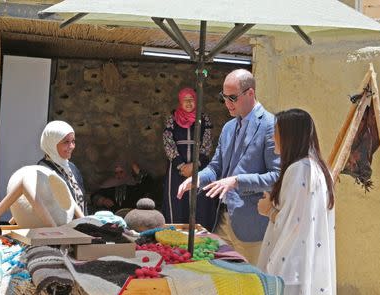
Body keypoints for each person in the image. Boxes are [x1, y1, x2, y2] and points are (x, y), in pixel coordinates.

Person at [178, 69, 280, 264]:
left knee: (252, 285)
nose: (227, 103)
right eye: (223, 97)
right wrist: (197, 178)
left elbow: (276, 177)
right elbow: (216, 167)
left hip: (253, 225)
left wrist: (236, 181)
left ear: (250, 93)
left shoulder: (270, 125)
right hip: (223, 221)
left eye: (232, 98)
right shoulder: (228, 127)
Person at [256, 109, 336, 295]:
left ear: (289, 136)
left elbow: (293, 224)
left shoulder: (300, 170)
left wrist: (268, 210)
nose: (272, 137)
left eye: (276, 132)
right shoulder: (319, 169)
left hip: (291, 270)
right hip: (305, 267)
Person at [162, 87, 217, 231]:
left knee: (199, 202)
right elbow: (168, 142)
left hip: (199, 169)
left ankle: (200, 238)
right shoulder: (172, 119)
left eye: (191, 99)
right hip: (177, 171)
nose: (188, 103)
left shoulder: (203, 119)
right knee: (177, 202)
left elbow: (207, 143)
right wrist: (181, 166)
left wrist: (195, 165)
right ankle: (176, 236)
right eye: (185, 100)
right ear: (180, 101)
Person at [38, 120, 86, 214]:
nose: (71, 146)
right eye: (66, 142)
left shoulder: (72, 168)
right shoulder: (43, 170)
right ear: (51, 143)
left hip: (77, 226)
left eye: (73, 141)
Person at [90, 162, 154, 215]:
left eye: (121, 172)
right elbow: (94, 195)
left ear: (127, 171)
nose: (118, 175)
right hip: (113, 217)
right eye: (116, 173)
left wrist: (138, 172)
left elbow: (149, 184)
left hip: (134, 216)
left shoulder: (135, 185)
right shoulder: (109, 185)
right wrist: (103, 200)